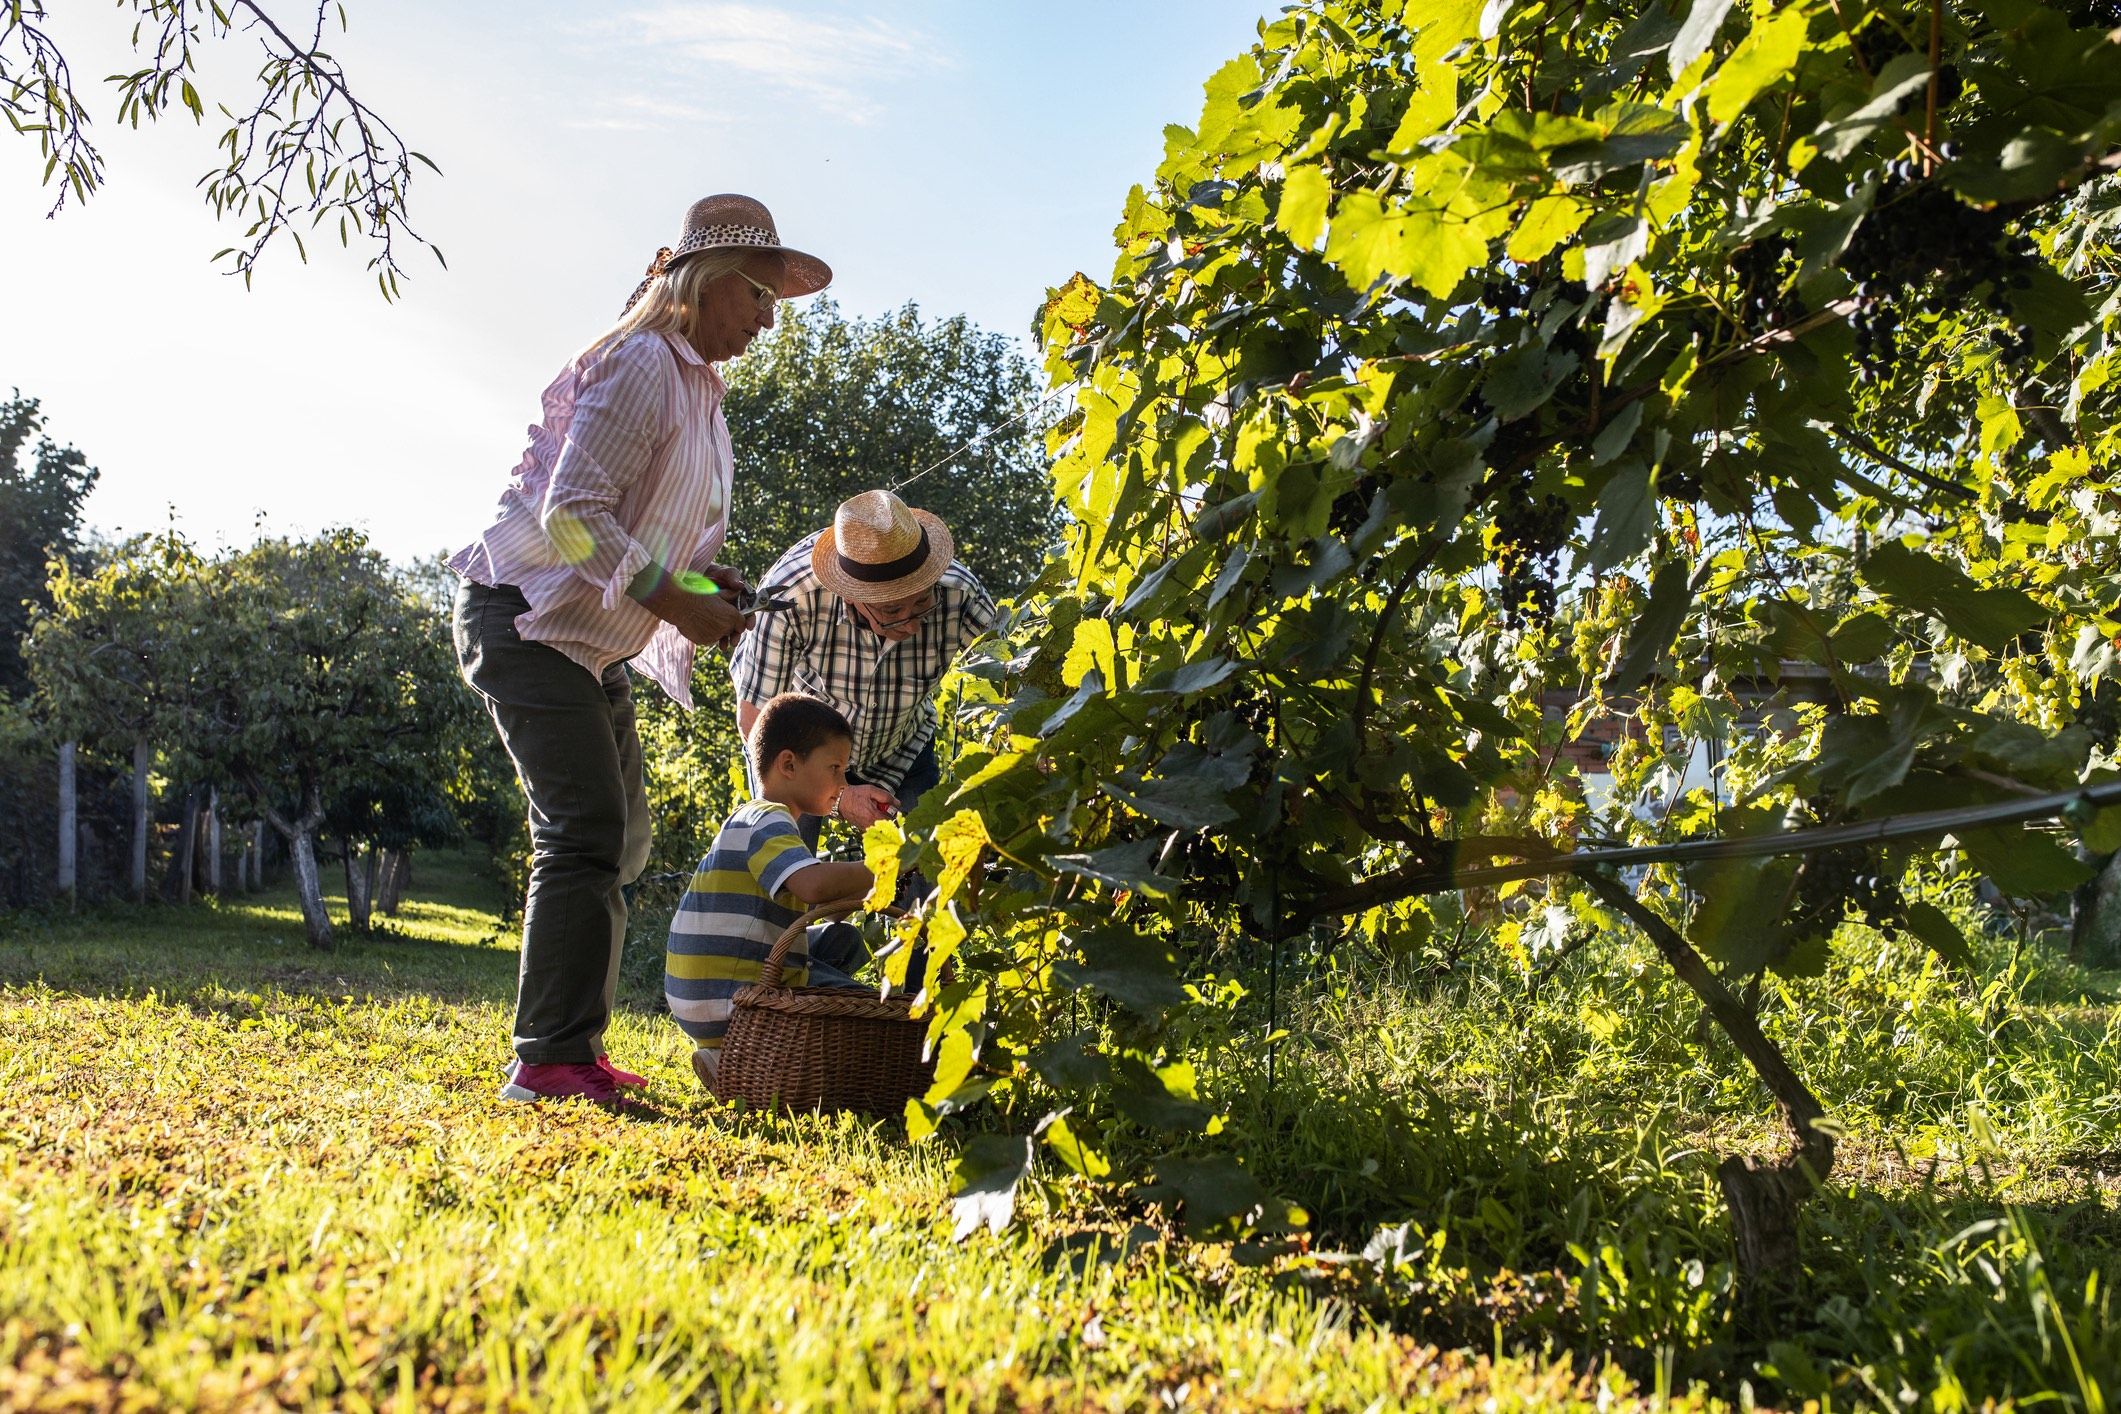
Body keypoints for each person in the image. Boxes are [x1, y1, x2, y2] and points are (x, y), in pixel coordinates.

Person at [448, 194, 832, 1106]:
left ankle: (569, 1047)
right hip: (527, 617)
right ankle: (547, 1060)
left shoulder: (701, 395)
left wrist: (709, 587)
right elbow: (570, 518)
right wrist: (672, 600)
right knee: (581, 834)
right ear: (709, 282)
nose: (770, 319)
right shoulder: (644, 362)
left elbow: (643, 535)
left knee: (619, 839)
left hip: (588, 642)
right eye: (761, 295)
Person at [730, 490, 997, 847]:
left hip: (902, 747)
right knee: (783, 868)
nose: (912, 625)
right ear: (850, 594)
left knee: (925, 865)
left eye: (921, 602)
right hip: (802, 756)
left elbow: (1011, 673)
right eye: (891, 611)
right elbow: (755, 721)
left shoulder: (961, 595)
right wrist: (838, 798)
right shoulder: (792, 597)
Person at [665, 693, 876, 1090]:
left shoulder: (759, 819)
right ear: (789, 764)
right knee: (862, 1009)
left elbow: (828, 911)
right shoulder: (768, 820)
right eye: (835, 768)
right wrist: (886, 865)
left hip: (705, 985)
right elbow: (812, 885)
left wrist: (870, 878)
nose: (842, 784)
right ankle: (741, 1052)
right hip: (724, 995)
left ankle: (736, 1047)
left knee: (843, 940)